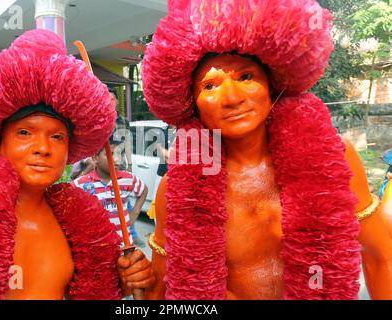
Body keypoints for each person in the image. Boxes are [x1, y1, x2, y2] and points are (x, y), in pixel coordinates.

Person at [142, 0, 392, 300]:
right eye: (210, 86)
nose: (231, 98)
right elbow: (160, 289)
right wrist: (138, 280)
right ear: (192, 104)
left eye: (245, 77)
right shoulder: (177, 192)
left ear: (271, 85)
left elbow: (381, 257)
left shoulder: (335, 161)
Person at [0, 29, 154, 300]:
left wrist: (124, 281)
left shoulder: (75, 224)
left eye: (56, 137)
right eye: (25, 133)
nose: (43, 148)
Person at [72, 136, 148, 247]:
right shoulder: (81, 184)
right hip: (97, 247)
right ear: (95, 158)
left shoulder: (128, 179)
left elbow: (143, 190)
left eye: (119, 154)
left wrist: (135, 212)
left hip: (124, 246)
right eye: (110, 154)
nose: (117, 159)